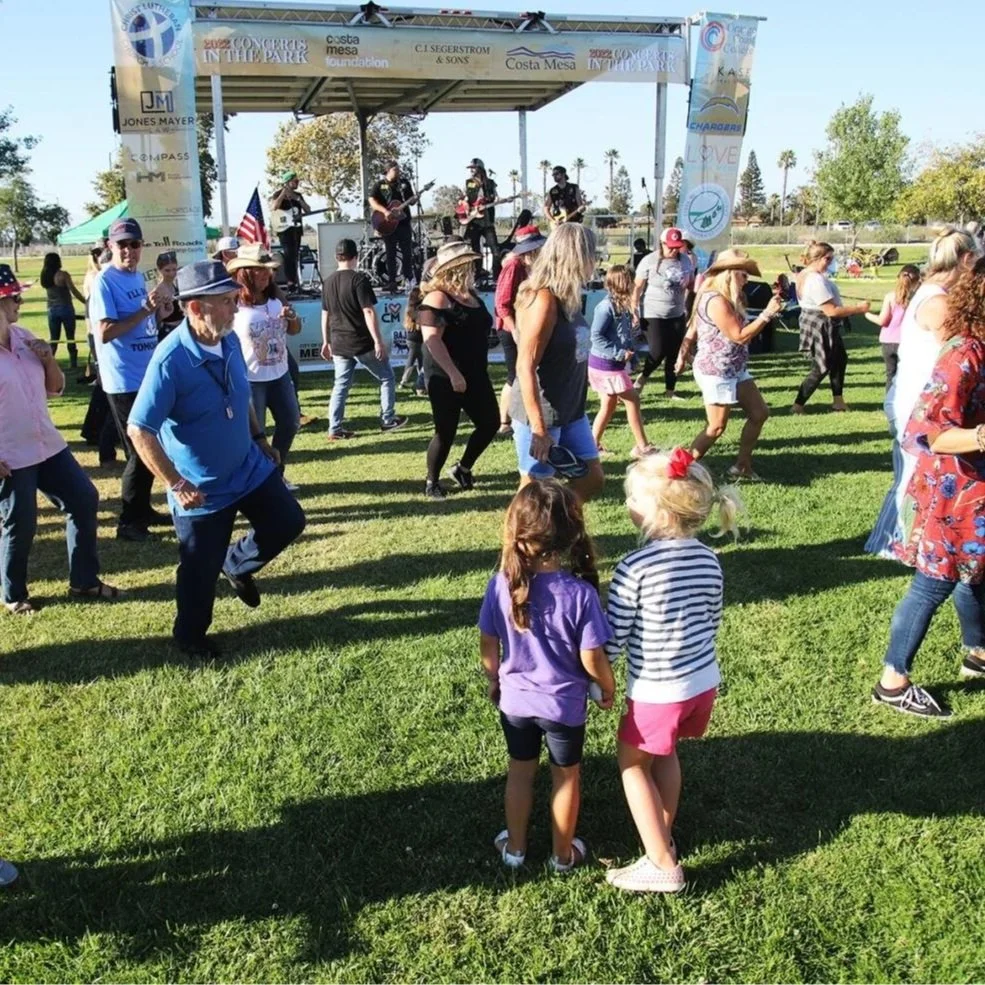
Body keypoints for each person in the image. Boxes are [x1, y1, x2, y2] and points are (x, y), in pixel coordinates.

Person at [127, 260, 306, 659]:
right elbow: (140, 429)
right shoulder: (169, 360)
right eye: (225, 302)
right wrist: (175, 482)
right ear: (195, 308)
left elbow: (238, 394)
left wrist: (259, 437)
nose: (234, 308)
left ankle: (237, 564)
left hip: (247, 465)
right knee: (197, 572)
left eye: (232, 299)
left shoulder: (227, 339)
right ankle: (189, 636)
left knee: (288, 521)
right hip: (200, 488)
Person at [604, 448, 741, 892]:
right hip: (701, 682)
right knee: (665, 755)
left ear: (658, 512)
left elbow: (614, 636)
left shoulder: (635, 566)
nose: (628, 506)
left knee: (631, 765)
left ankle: (662, 864)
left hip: (657, 689)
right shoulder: (708, 558)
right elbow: (712, 615)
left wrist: (598, 675)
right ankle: (660, 836)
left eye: (634, 500)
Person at [479, 479, 615, 872]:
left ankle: (515, 850)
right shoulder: (580, 595)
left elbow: (489, 644)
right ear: (571, 536)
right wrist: (607, 687)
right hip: (564, 709)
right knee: (566, 777)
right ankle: (562, 855)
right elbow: (592, 658)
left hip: (516, 703)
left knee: (520, 773)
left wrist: (493, 680)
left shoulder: (500, 586)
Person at [871, 258, 985, 718]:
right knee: (931, 584)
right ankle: (892, 681)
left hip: (976, 490)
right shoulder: (964, 353)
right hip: (953, 490)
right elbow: (932, 430)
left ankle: (979, 651)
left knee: (977, 572)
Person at [0, 263, 123, 614]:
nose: (20, 302)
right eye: (13, 298)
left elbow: (55, 388)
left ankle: (84, 581)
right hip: (11, 455)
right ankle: (13, 595)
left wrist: (48, 360)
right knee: (20, 524)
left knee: (84, 498)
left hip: (47, 445)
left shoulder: (24, 337)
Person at [866, 228, 982, 560]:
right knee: (913, 475)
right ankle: (895, 544)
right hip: (918, 402)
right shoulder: (938, 301)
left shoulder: (929, 292)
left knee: (910, 473)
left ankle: (892, 542)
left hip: (914, 397)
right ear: (966, 259)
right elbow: (960, 349)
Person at [88, 217, 168, 541]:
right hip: (123, 380)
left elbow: (146, 322)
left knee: (152, 443)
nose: (129, 251)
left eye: (135, 245)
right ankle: (128, 523)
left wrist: (158, 311)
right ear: (110, 246)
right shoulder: (105, 282)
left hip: (144, 374)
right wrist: (145, 312)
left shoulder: (136, 277)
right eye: (122, 245)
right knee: (140, 450)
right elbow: (104, 332)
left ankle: (143, 510)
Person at [512, 222, 604, 502]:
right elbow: (524, 366)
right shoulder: (544, 299)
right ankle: (518, 543)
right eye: (592, 254)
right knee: (532, 493)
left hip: (571, 409)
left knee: (592, 478)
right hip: (543, 411)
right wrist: (539, 429)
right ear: (575, 256)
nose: (595, 261)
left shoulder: (568, 298)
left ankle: (557, 526)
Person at [675, 250, 783, 482]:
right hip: (717, 370)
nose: (746, 280)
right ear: (729, 274)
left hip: (734, 367)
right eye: (743, 275)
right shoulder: (716, 300)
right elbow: (739, 336)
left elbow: (693, 329)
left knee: (759, 413)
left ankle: (742, 466)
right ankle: (677, 469)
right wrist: (766, 315)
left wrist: (682, 355)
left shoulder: (731, 298)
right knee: (715, 427)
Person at [417, 239, 500, 499]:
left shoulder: (471, 295)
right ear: (458, 267)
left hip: (475, 371)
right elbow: (432, 340)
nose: (475, 267)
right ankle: (432, 481)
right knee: (446, 430)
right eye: (470, 264)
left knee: (490, 423)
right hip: (445, 375)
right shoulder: (437, 297)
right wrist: (453, 373)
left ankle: (463, 468)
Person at [320, 238, 407, 440]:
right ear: (356, 257)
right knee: (387, 377)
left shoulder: (328, 282)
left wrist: (325, 341)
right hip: (360, 341)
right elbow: (368, 311)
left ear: (336, 257)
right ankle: (388, 419)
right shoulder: (358, 280)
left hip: (338, 342)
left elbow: (325, 314)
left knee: (340, 385)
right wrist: (378, 340)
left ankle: (334, 428)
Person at [229, 245, 302, 478]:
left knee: (290, 422)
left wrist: (291, 317)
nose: (266, 275)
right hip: (251, 379)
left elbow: (294, 330)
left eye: (268, 270)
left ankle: (276, 472)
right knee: (255, 434)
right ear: (245, 273)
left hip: (280, 375)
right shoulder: (234, 304)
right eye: (259, 270)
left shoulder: (275, 299)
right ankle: (259, 479)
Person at [791, 242, 870, 413]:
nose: (831, 262)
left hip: (820, 321)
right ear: (819, 258)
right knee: (822, 365)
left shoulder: (807, 274)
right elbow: (831, 310)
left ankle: (838, 401)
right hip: (820, 323)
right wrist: (858, 308)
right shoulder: (814, 279)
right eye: (829, 258)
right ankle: (797, 405)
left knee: (839, 359)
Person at [589, 265, 652, 458]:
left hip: (613, 365)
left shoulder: (623, 307)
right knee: (632, 400)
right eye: (630, 281)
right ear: (623, 283)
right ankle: (642, 447)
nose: (634, 284)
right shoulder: (605, 307)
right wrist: (618, 353)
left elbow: (626, 337)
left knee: (608, 405)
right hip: (605, 365)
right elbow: (596, 336)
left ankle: (592, 446)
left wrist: (633, 360)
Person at [494, 225, 546, 437]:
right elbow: (502, 303)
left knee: (525, 371)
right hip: (511, 328)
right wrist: (514, 329)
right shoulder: (514, 266)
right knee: (514, 375)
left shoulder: (530, 265)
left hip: (525, 325)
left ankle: (518, 414)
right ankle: (504, 421)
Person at [632, 227, 692, 399]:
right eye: (671, 247)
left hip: (677, 312)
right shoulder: (649, 261)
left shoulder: (685, 261)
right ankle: (642, 380)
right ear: (662, 244)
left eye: (677, 246)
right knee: (657, 352)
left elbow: (690, 284)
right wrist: (634, 309)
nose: (674, 250)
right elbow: (637, 287)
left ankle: (670, 391)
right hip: (653, 313)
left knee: (673, 352)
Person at [864, 264, 919, 391]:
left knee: (891, 374)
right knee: (906, 375)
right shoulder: (916, 299)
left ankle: (889, 402)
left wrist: (867, 314)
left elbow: (882, 320)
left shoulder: (890, 297)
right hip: (906, 341)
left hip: (888, 341)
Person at [368, 161, 417, 292]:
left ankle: (408, 279)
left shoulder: (404, 183)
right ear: (388, 171)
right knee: (391, 252)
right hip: (387, 224)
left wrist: (414, 199)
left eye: (398, 169)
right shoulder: (380, 185)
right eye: (395, 170)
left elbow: (411, 200)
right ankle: (392, 282)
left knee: (407, 252)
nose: (398, 172)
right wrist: (385, 211)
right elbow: (372, 200)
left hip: (403, 223)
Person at [39, 252, 85, 367]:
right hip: (66, 308)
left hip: (51, 310)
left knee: (54, 339)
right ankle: (73, 363)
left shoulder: (45, 276)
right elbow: (73, 291)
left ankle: (48, 363)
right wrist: (86, 302)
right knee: (70, 337)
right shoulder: (63, 275)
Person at [269, 172, 310, 291]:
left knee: (295, 255)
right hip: (284, 230)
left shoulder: (298, 195)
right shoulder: (277, 194)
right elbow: (274, 207)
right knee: (288, 255)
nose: (297, 183)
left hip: (296, 230)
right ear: (287, 182)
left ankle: (295, 281)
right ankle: (290, 282)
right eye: (295, 181)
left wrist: (297, 199)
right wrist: (283, 193)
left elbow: (307, 210)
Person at [462, 158, 501, 281]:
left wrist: (497, 200)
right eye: (470, 168)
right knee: (475, 251)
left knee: (495, 250)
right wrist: (465, 204)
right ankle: (477, 275)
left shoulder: (490, 183)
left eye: (473, 168)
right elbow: (463, 198)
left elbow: (495, 197)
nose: (471, 170)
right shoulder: (468, 182)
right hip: (474, 221)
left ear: (480, 169)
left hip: (487, 221)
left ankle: (496, 277)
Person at [399, 284, 427, 397]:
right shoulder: (416, 309)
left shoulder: (409, 307)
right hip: (416, 339)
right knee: (411, 361)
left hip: (412, 338)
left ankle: (422, 381)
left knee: (421, 361)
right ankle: (403, 381)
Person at [155, 251, 184, 341]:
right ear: (160, 270)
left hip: (181, 330)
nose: (171, 273)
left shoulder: (175, 285)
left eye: (174, 269)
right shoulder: (158, 290)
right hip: (168, 333)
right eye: (167, 270)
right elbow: (155, 320)